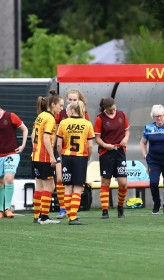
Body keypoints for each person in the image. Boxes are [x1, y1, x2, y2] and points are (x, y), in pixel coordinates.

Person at [54, 88, 90, 219]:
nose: (72, 101)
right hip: (66, 152)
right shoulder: (60, 114)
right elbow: (56, 135)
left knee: (68, 183)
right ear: (66, 99)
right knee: (63, 181)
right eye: (70, 99)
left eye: (75, 99)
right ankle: (65, 209)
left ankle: (69, 211)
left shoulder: (84, 116)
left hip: (68, 153)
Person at [31, 91, 64, 224]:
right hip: (43, 157)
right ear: (54, 104)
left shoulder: (41, 116)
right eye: (60, 106)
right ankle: (44, 217)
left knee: (39, 187)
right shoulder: (50, 118)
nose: (61, 109)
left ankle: (36, 216)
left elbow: (34, 136)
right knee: (49, 187)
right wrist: (51, 156)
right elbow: (45, 138)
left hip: (35, 155)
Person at [94, 97, 130, 219]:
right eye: (109, 110)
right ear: (105, 109)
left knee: (123, 183)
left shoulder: (122, 115)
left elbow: (127, 131)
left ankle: (120, 207)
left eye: (113, 109)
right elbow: (97, 137)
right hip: (106, 153)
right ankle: (105, 210)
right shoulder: (100, 119)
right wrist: (105, 145)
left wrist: (125, 139)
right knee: (105, 181)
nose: (112, 111)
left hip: (120, 152)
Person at [140, 105, 164, 215]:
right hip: (154, 160)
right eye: (156, 116)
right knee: (153, 182)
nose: (159, 118)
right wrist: (145, 155)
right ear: (153, 117)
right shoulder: (148, 128)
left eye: (161, 116)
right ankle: (157, 203)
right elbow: (143, 142)